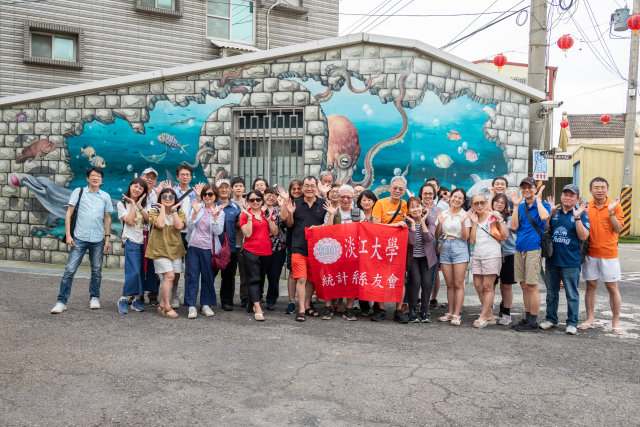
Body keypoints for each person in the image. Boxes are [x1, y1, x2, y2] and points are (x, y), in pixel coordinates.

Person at [51, 168, 113, 314]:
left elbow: (107, 218)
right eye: (93, 175)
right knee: (69, 270)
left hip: (98, 239)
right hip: (79, 237)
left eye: (99, 176)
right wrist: (68, 235)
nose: (96, 178)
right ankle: (61, 301)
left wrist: (107, 239)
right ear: (87, 178)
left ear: (101, 180)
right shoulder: (79, 192)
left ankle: (94, 297)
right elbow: (69, 213)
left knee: (96, 270)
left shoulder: (105, 196)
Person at [539, 184, 590, 335]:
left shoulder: (582, 214)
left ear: (577, 199)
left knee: (572, 295)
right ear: (561, 196)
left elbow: (583, 236)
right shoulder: (556, 213)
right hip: (552, 260)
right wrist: (550, 212)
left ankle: (572, 322)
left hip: (571, 262)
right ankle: (551, 319)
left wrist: (577, 217)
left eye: (571, 195)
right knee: (551, 293)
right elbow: (546, 228)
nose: (567, 198)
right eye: (565, 195)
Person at [580, 177, 625, 335]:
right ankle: (589, 319)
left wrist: (611, 212)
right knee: (591, 286)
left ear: (607, 189)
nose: (600, 190)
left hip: (609, 254)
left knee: (612, 288)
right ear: (590, 190)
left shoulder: (615, 206)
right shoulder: (586, 207)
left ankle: (615, 322)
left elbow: (618, 229)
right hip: (590, 253)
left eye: (602, 187)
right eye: (596, 187)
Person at [282, 176, 326, 321]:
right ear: (302, 188)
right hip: (298, 247)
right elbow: (289, 224)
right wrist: (290, 213)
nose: (309, 188)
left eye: (312, 186)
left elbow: (328, 226)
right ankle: (301, 309)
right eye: (306, 185)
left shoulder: (323, 203)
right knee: (301, 278)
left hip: (316, 250)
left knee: (311, 280)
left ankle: (307, 305)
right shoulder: (296, 203)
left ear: (316, 188)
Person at [509, 177, 550, 332]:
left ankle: (533, 321)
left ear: (535, 188)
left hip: (533, 248)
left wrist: (538, 199)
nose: (526, 190)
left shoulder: (543, 205)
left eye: (530, 187)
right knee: (524, 285)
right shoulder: (520, 207)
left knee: (532, 285)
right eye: (523, 187)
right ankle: (527, 318)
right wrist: (515, 206)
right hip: (519, 248)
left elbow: (544, 217)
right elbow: (514, 226)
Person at [322, 184, 365, 321]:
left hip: (352, 252)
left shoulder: (359, 213)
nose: (345, 199)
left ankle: (349, 309)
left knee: (351, 279)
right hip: (333, 252)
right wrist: (330, 215)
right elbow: (325, 231)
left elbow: (364, 232)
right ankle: (328, 308)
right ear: (339, 197)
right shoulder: (332, 210)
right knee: (331, 278)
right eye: (343, 197)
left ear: (353, 198)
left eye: (348, 197)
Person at [468, 193, 509, 328]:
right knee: (478, 287)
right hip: (478, 255)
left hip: (492, 255)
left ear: (486, 203)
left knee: (487, 286)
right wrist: (474, 223)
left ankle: (483, 316)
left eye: (482, 202)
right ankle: (489, 314)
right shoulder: (473, 217)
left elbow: (506, 235)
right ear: (472, 205)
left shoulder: (493, 216)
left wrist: (500, 220)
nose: (479, 206)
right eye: (476, 203)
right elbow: (472, 240)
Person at [371, 175, 409, 323]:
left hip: (399, 249)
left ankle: (398, 310)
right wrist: (394, 225)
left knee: (400, 279)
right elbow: (375, 226)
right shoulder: (380, 203)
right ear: (389, 188)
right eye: (395, 188)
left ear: (404, 191)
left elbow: (413, 219)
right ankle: (380, 309)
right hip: (381, 247)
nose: (397, 191)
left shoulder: (405, 204)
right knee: (380, 277)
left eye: (401, 189)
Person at [184, 184, 225, 319]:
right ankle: (191, 305)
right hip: (193, 247)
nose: (207, 197)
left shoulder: (220, 211)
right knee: (192, 276)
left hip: (209, 249)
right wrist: (195, 213)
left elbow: (218, 232)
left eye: (210, 194)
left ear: (215, 196)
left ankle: (205, 304)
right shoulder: (197, 207)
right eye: (205, 194)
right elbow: (189, 226)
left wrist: (214, 217)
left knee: (208, 277)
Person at [146, 188, 186, 318]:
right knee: (169, 276)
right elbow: (160, 224)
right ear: (160, 198)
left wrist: (173, 211)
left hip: (175, 250)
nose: (167, 199)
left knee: (174, 278)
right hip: (160, 250)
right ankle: (167, 307)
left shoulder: (179, 212)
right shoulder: (154, 211)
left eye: (171, 197)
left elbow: (179, 226)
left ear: (175, 199)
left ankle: (161, 305)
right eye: (164, 196)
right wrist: (162, 209)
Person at [240, 190, 279, 321]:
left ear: (262, 200)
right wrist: (250, 219)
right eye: (252, 200)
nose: (255, 202)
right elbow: (247, 234)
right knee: (254, 278)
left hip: (266, 251)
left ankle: (251, 303)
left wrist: (269, 221)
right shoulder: (245, 215)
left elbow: (275, 232)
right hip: (251, 250)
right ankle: (257, 308)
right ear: (248, 201)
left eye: (258, 199)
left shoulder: (265, 214)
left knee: (261, 278)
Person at [435, 188, 471, 326]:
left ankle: (457, 313)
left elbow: (466, 238)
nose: (456, 200)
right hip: (445, 245)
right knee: (449, 283)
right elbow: (437, 235)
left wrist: (462, 223)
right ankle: (450, 312)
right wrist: (440, 222)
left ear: (463, 201)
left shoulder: (465, 215)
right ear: (450, 198)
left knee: (458, 283)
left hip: (459, 246)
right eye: (455, 197)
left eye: (460, 198)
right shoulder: (443, 213)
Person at [116, 178, 149, 314]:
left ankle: (137, 299)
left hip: (146, 242)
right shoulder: (122, 204)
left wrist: (139, 205)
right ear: (130, 187)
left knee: (141, 272)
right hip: (131, 241)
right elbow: (129, 221)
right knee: (133, 271)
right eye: (135, 186)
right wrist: (132, 204)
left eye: (140, 188)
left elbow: (150, 220)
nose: (137, 189)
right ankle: (123, 298)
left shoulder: (146, 204)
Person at [171, 165, 199, 309]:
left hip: (192, 233)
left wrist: (199, 197)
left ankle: (186, 294)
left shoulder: (196, 193)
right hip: (176, 233)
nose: (185, 177)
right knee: (176, 267)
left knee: (191, 267)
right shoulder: (172, 192)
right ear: (177, 177)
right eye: (182, 174)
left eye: (188, 174)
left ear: (191, 176)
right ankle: (173, 296)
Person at [405, 197, 437, 323]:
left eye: (418, 206)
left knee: (427, 283)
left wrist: (422, 222)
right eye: (412, 207)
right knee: (415, 282)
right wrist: (413, 225)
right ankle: (412, 311)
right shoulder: (407, 223)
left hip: (427, 258)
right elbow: (411, 242)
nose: (416, 209)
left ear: (422, 207)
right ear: (408, 210)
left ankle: (424, 311)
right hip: (413, 258)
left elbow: (429, 238)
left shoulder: (430, 219)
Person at [215, 178, 242, 311]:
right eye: (221, 187)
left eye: (226, 187)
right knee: (210, 275)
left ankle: (227, 301)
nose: (224, 190)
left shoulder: (235, 207)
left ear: (230, 190)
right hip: (213, 247)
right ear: (217, 190)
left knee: (228, 277)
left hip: (230, 247)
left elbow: (239, 225)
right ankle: (207, 301)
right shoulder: (212, 204)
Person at [492, 194, 516, 326]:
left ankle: (506, 313)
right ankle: (488, 311)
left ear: (506, 206)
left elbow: (508, 232)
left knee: (506, 285)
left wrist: (500, 219)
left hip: (507, 254)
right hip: (491, 255)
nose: (499, 204)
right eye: (497, 201)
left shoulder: (509, 218)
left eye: (502, 202)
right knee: (490, 284)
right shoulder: (487, 217)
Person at [140, 167, 163, 306]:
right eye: (147, 176)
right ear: (141, 177)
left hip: (154, 236)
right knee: (138, 265)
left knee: (154, 266)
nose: (149, 179)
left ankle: (153, 294)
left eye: (152, 178)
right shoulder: (136, 192)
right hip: (137, 235)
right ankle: (138, 294)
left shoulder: (158, 195)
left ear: (155, 181)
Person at [280, 180, 303, 314]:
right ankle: (291, 301)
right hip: (293, 241)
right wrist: (285, 201)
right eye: (293, 189)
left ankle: (305, 301)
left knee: (305, 275)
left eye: (299, 188)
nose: (296, 191)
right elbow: (283, 218)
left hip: (306, 241)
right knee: (292, 273)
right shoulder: (289, 202)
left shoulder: (307, 202)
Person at [419, 183, 442, 310]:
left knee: (429, 279)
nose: (428, 196)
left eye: (430, 193)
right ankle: (411, 303)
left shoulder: (438, 210)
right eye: (425, 193)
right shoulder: (416, 207)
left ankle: (425, 304)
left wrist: (440, 242)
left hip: (433, 248)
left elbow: (443, 229)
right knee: (415, 278)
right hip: (417, 248)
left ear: (434, 195)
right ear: (421, 195)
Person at [263, 187, 286, 310]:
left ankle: (271, 300)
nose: (271, 197)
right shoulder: (258, 209)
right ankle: (256, 298)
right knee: (259, 275)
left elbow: (285, 220)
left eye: (274, 195)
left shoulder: (278, 210)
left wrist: (283, 205)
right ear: (263, 195)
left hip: (277, 248)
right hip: (260, 248)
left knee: (274, 276)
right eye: (268, 194)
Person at [355, 189, 377, 315]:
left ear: (374, 202)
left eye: (369, 200)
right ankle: (364, 305)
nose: (367, 202)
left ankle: (375, 303)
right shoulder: (356, 214)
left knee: (373, 277)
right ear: (360, 202)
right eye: (364, 200)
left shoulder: (378, 214)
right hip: (360, 250)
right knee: (361, 277)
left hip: (375, 250)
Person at [231, 177, 249, 307]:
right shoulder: (228, 202)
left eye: (240, 186)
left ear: (244, 188)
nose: (238, 188)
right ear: (232, 188)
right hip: (231, 243)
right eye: (236, 186)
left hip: (244, 244)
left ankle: (244, 298)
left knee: (245, 273)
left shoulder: (249, 202)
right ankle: (228, 298)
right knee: (229, 274)